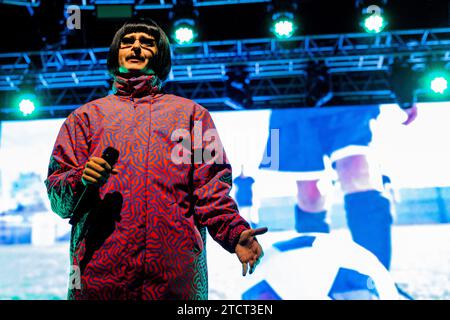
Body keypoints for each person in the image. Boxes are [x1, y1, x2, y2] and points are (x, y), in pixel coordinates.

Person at [45, 18, 267, 300]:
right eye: (128, 42)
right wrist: (80, 179)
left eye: (147, 43)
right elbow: (58, 198)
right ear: (116, 53)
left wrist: (235, 233)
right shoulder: (84, 119)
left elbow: (211, 191)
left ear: (160, 54)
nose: (136, 47)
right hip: (99, 277)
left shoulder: (192, 116)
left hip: (175, 279)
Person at [260, 103, 417, 271]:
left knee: (357, 172)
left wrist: (405, 93)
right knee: (310, 196)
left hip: (347, 92)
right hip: (293, 99)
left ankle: (375, 279)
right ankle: (318, 279)